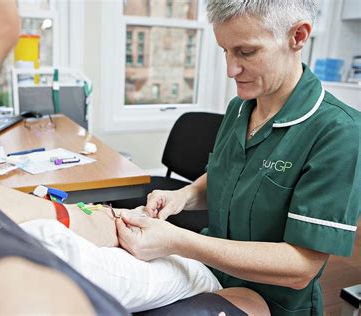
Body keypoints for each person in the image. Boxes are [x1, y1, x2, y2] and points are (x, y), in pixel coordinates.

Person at [0, 0, 268, 315]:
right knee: (249, 304)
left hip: (248, 275)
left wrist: (71, 216)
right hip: (217, 274)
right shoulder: (8, 296)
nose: (17, 23)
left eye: (245, 51)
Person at [116, 1, 361, 315]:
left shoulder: (339, 132)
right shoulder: (239, 109)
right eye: (225, 51)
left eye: (246, 52)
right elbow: (228, 175)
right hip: (208, 275)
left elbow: (300, 268)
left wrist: (178, 241)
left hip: (274, 302)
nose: (231, 69)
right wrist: (183, 196)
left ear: (297, 36)